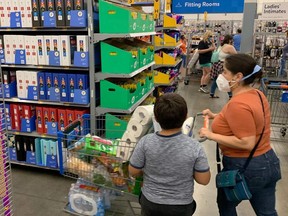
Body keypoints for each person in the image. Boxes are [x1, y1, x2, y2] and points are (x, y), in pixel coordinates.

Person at [199, 54, 282, 216]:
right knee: (267, 212)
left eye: (225, 72)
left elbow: (246, 142)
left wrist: (210, 134)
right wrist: (216, 116)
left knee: (226, 205)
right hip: (268, 161)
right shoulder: (256, 94)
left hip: (245, 166)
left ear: (238, 76)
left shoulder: (238, 104)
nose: (221, 75)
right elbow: (250, 120)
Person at [129, 93, 211, 216]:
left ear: (156, 118)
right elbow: (204, 180)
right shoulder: (194, 146)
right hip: (181, 205)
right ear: (185, 117)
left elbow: (133, 171)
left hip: (150, 202)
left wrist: (149, 171)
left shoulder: (145, 142)